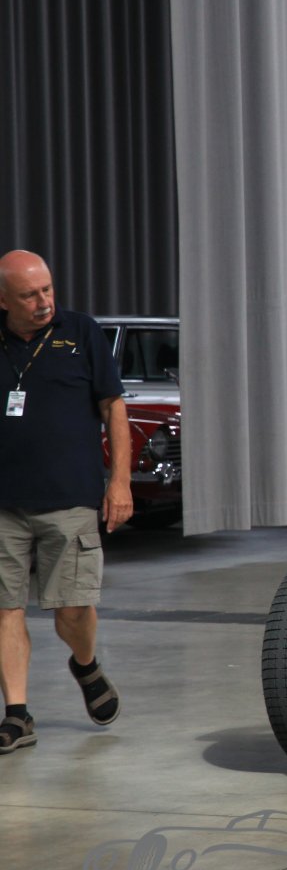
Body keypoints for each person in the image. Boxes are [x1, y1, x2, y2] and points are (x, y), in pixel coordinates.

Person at [0, 250, 131, 755]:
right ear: (4, 300)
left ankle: (86, 664)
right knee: (6, 608)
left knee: (73, 610)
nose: (43, 302)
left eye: (47, 290)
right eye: (29, 295)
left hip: (70, 497)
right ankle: (17, 714)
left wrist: (119, 483)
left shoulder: (81, 333)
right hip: (5, 504)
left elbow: (113, 407)